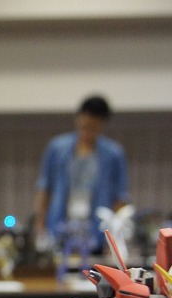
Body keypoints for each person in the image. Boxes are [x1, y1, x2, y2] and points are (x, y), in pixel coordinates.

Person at [34, 95, 129, 252]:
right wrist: (40, 223)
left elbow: (119, 197)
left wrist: (115, 237)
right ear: (78, 118)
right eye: (85, 126)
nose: (88, 131)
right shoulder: (57, 148)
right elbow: (45, 188)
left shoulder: (113, 154)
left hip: (96, 229)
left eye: (93, 127)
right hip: (60, 225)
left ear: (102, 124)